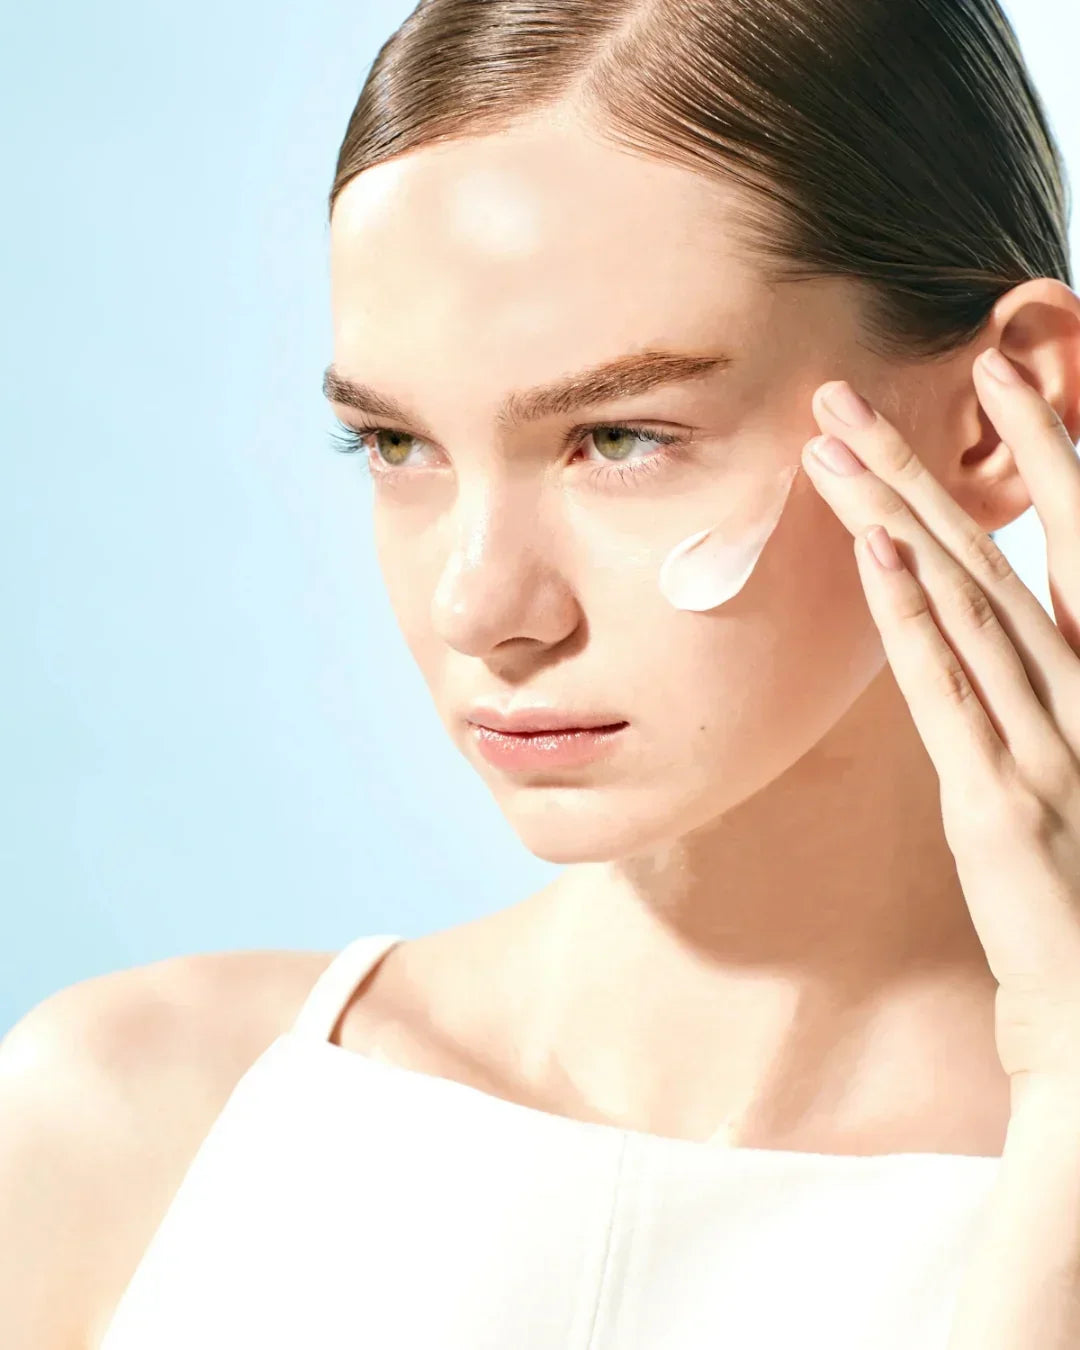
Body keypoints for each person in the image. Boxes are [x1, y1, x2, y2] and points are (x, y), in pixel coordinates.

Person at [3, 1, 1079, 1347]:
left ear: (996, 416)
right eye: (396, 446)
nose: (479, 604)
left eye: (619, 435)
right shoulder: (135, 1117)